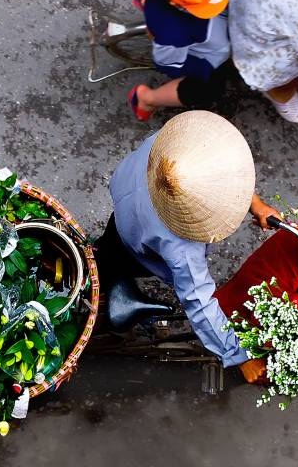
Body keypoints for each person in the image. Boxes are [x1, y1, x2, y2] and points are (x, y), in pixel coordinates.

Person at [94, 110, 280, 383]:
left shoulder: (166, 147)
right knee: (109, 268)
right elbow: (198, 302)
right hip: (135, 249)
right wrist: (240, 356)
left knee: (106, 252)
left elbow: (218, 173)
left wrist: (256, 205)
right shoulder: (181, 247)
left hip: (124, 211)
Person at [127, 0, 233, 122]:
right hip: (205, 40)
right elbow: (168, 64)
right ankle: (147, 98)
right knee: (209, 89)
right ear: (176, 5)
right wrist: (204, 69)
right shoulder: (174, 33)